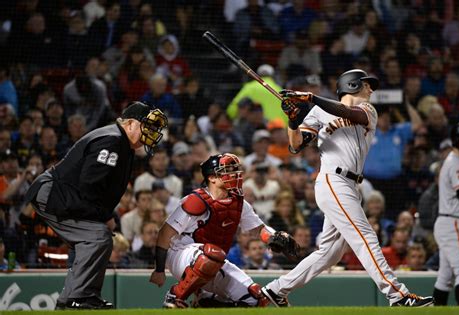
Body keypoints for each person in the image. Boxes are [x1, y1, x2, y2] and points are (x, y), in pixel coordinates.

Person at [261, 69, 434, 307]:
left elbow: (347, 112)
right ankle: (398, 294)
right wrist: (292, 120)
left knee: (330, 252)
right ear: (351, 85)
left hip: (351, 185)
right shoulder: (318, 112)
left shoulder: (367, 110)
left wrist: (311, 99)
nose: (371, 90)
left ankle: (276, 290)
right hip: (333, 180)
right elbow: (296, 146)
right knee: (365, 236)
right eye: (366, 85)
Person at [24, 102, 168, 310]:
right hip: (55, 194)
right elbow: (90, 184)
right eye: (148, 125)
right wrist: (104, 216)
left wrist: (104, 216)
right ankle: (79, 297)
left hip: (66, 196)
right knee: (96, 237)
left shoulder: (122, 142)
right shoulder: (112, 140)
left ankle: (71, 299)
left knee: (97, 238)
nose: (152, 132)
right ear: (129, 124)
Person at [149, 153, 299, 308]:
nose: (234, 174)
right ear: (212, 178)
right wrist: (159, 270)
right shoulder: (196, 200)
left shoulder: (238, 202)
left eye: (234, 169)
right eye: (227, 170)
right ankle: (175, 296)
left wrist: (273, 237)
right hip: (180, 255)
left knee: (255, 299)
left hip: (214, 259)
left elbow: (258, 229)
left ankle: (206, 301)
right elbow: (164, 234)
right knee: (209, 256)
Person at [433, 121, 459, 306]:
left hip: (449, 222)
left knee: (445, 276)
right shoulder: (456, 164)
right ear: (456, 140)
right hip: (455, 222)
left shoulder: (455, 161)